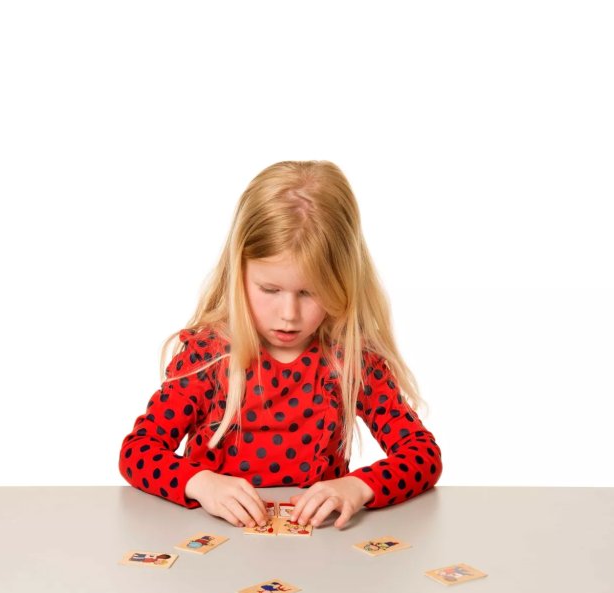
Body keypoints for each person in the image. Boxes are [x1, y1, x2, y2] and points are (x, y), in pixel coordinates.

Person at [119, 160, 442, 530]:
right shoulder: (209, 355)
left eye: (309, 292)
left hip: (322, 548)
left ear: (342, 282)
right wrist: (201, 484)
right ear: (238, 273)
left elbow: (422, 454)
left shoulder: (351, 359)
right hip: (216, 544)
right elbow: (138, 451)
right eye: (270, 289)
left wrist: (358, 487)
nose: (289, 315)